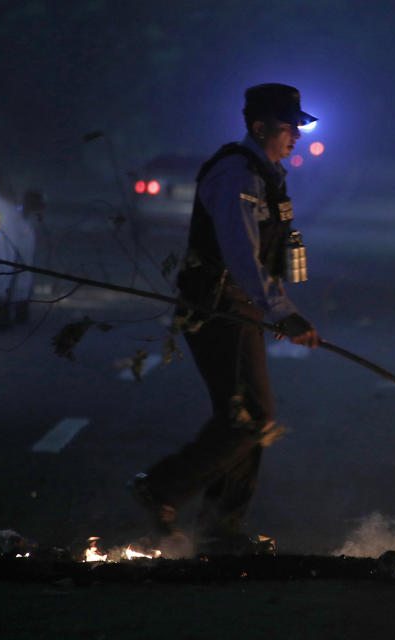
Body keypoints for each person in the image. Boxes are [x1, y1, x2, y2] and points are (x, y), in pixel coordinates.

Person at [130, 83, 319, 554]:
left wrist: (272, 311)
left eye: (298, 125)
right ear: (259, 126)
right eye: (287, 126)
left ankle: (220, 530)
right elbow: (240, 254)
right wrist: (284, 314)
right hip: (216, 307)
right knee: (248, 418)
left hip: (241, 309)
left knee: (250, 418)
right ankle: (163, 489)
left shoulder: (267, 173)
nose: (295, 134)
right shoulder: (235, 172)